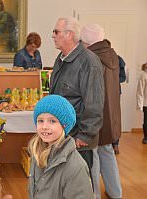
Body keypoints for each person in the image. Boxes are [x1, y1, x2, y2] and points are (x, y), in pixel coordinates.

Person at [49, 17, 104, 180]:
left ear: (69, 35)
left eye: (56, 32)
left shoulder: (88, 61)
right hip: (62, 136)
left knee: (80, 187)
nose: (53, 36)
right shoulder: (61, 59)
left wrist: (84, 136)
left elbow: (94, 103)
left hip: (78, 141)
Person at [80, 23, 122, 199]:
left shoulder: (92, 58)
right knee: (107, 152)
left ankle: (94, 195)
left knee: (93, 155)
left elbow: (89, 92)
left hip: (96, 114)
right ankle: (115, 193)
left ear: (87, 42)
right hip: (111, 114)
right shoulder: (112, 55)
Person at [28, 94, 94, 199]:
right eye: (40, 120)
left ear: (64, 126)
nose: (44, 126)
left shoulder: (75, 167)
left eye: (52, 121)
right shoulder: (37, 154)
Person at [112, 55, 127, 154]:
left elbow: (123, 77)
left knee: (115, 118)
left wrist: (111, 80)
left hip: (115, 92)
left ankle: (115, 144)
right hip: (102, 92)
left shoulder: (118, 59)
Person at [136, 63, 147, 144]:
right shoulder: (143, 75)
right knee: (146, 121)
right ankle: (146, 137)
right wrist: (140, 105)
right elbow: (140, 91)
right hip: (146, 103)